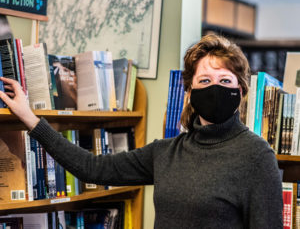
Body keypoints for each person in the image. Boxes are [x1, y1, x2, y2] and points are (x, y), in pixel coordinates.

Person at [0, 34, 283, 228]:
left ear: (241, 90)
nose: (215, 88)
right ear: (190, 91)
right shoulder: (167, 153)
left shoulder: (256, 156)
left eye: (225, 80)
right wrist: (29, 117)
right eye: (205, 80)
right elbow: (91, 168)